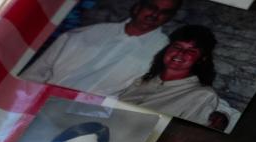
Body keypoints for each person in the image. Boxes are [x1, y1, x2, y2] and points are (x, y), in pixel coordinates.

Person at [20, 0, 181, 96]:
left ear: (171, 17)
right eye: (152, 7)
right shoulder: (82, 35)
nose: (155, 15)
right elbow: (33, 75)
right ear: (138, 7)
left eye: (164, 12)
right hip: (41, 98)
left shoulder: (165, 55)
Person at [118, 25, 221, 124]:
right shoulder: (142, 80)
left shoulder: (202, 95)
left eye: (191, 51)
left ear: (202, 58)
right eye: (177, 46)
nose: (180, 53)